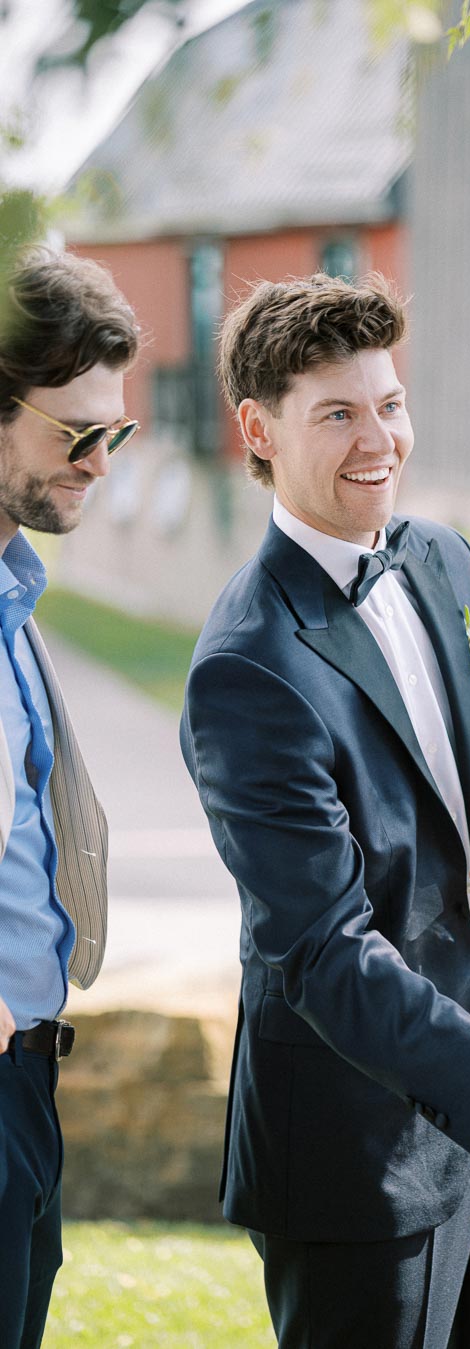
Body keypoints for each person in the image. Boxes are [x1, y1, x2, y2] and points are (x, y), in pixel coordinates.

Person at [180, 271, 470, 1348]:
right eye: (336, 413)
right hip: (356, 1153)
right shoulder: (246, 666)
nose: (377, 439)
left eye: (388, 404)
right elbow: (325, 955)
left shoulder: (443, 558)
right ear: (259, 428)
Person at [0, 245, 140, 1348]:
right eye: (73, 432)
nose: (99, 460)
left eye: (116, 432)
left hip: (32, 1074)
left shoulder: (17, 600)